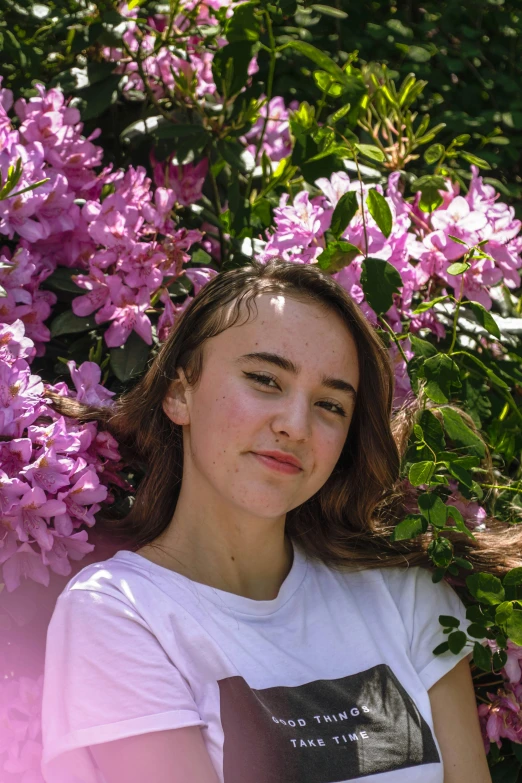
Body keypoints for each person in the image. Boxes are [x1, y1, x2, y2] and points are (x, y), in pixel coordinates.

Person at [40, 258, 498, 783]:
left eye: (330, 405)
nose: (296, 426)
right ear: (179, 392)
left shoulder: (407, 597)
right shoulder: (119, 613)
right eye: (264, 379)